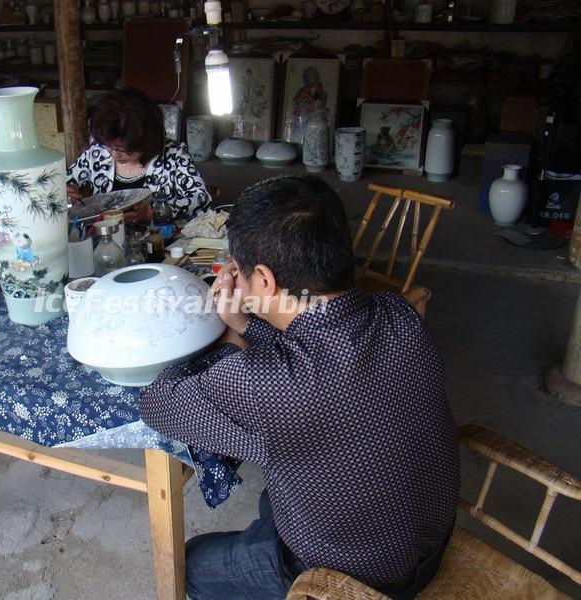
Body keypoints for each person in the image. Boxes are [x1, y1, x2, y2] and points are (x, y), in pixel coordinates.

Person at [139, 175, 459, 600]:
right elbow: (318, 348)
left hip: (353, 579)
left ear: (266, 282)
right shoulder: (399, 315)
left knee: (190, 564)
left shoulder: (264, 385)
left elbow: (159, 404)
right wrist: (247, 324)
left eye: (240, 269)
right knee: (275, 496)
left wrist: (232, 339)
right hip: (426, 544)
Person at [66, 88, 212, 222]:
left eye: (123, 150)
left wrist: (155, 212)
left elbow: (201, 198)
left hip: (159, 242)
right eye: (109, 146)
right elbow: (58, 187)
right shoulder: (97, 152)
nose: (114, 154)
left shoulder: (174, 155)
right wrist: (64, 193)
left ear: (146, 141)